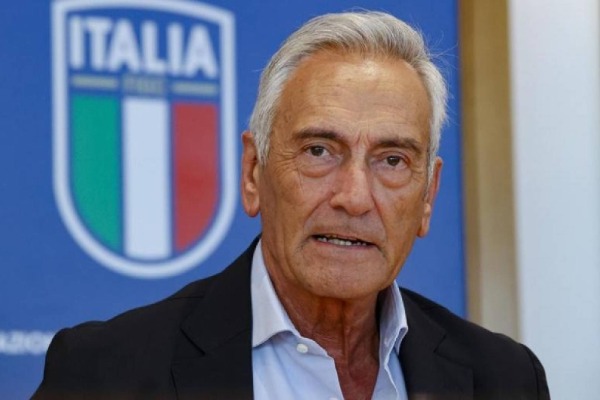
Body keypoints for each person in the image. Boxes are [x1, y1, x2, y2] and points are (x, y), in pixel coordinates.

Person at [33, 11, 550, 400]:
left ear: (429, 196)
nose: (354, 197)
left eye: (392, 160)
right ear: (253, 173)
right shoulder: (104, 374)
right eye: (319, 151)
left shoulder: (505, 379)